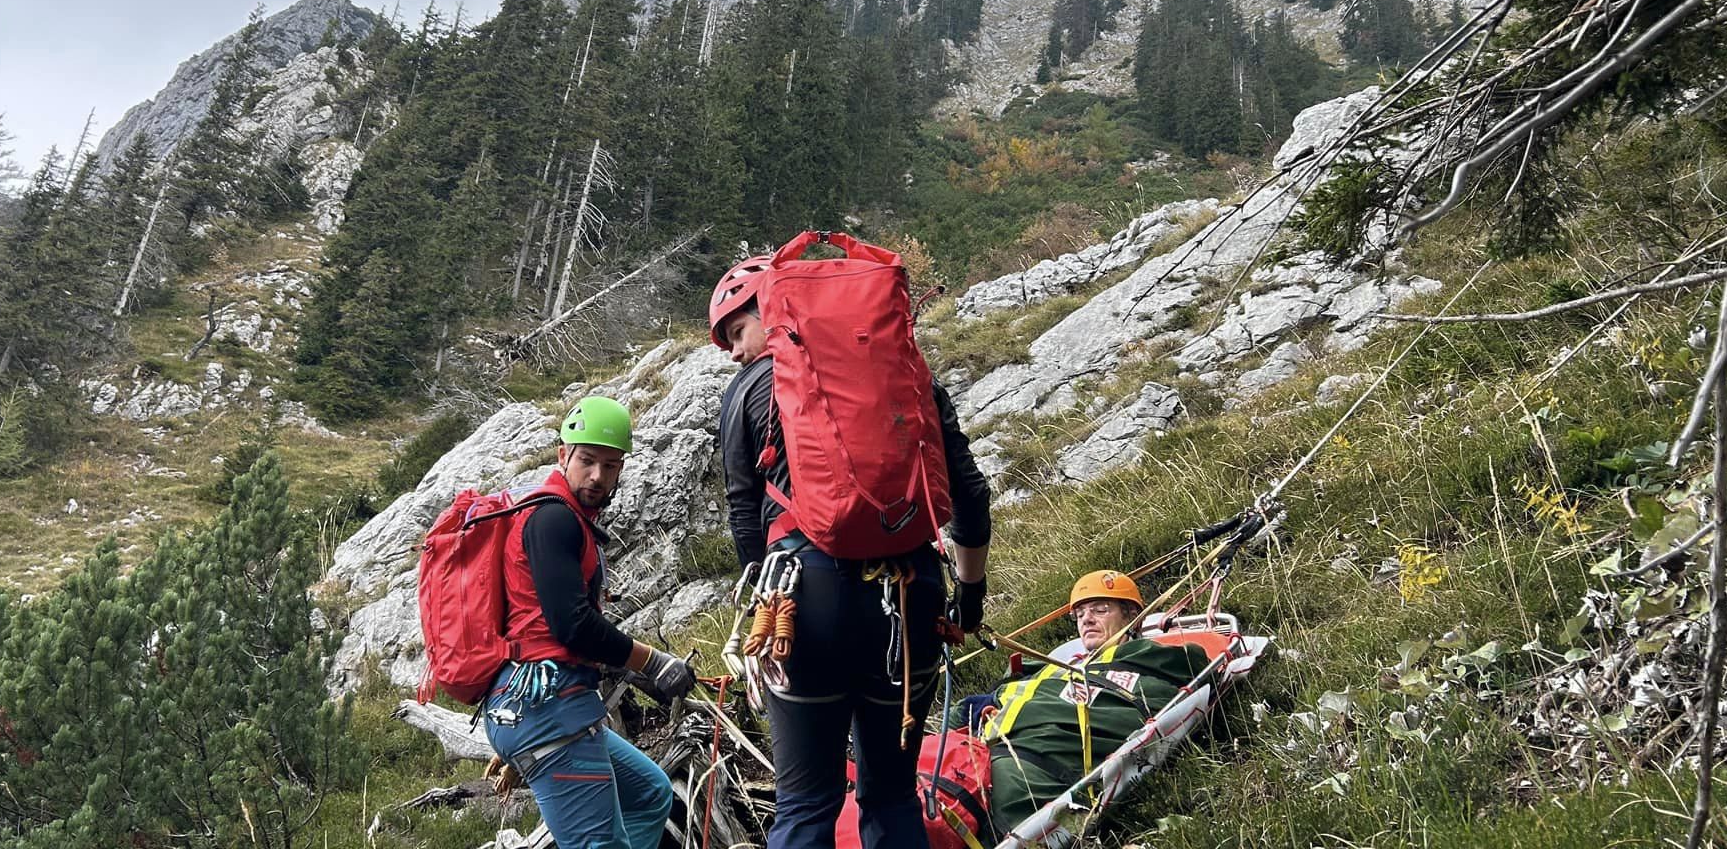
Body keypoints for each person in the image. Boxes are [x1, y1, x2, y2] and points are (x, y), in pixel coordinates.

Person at [711, 255, 996, 849]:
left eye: (737, 331)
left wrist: (761, 597)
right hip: (910, 592)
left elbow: (745, 515)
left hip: (802, 595)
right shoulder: (906, 371)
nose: (734, 352)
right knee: (891, 795)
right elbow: (967, 491)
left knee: (807, 803)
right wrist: (969, 594)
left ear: (772, 307)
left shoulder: (747, 392)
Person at [480, 396, 698, 849]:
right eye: (587, 460)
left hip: (546, 704)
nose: (598, 476)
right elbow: (572, 626)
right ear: (563, 455)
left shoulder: (568, 520)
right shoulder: (553, 518)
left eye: (611, 465)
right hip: (546, 709)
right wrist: (654, 662)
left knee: (649, 795)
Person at [981, 570, 1211, 834]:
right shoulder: (1052, 671)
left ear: (1131, 617)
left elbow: (1194, 667)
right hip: (985, 758)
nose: (1086, 619)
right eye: (1079, 615)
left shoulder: (1153, 663)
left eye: (1100, 609)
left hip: (1029, 775)